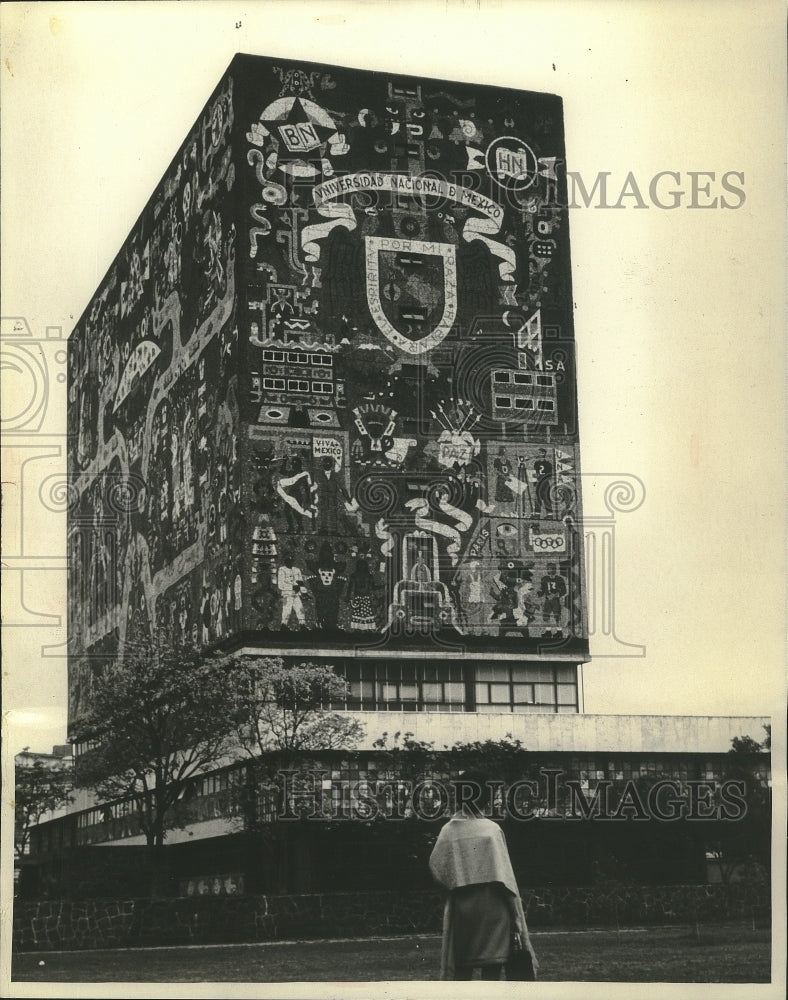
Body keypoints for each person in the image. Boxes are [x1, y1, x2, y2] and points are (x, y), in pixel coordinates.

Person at [429, 770, 538, 981]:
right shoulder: (491, 830)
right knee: (492, 969)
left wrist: (457, 882)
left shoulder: (448, 831)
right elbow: (505, 876)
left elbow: (437, 868)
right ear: (484, 798)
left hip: (463, 909)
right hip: (494, 908)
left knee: (462, 969)